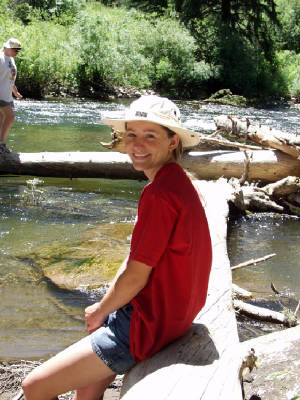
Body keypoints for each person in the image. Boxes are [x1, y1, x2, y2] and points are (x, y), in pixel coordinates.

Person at [22, 95, 212, 400]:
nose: (137, 145)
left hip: (146, 326)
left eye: (150, 136)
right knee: (84, 395)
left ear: (173, 141)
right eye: (132, 135)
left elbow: (137, 276)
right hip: (170, 316)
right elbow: (137, 261)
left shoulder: (159, 195)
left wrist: (100, 310)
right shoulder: (179, 182)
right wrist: (109, 304)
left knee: (34, 387)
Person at [0, 37, 23, 154]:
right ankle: (1, 145)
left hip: (7, 95)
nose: (17, 53)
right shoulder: (0, 58)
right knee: (10, 117)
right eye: (15, 50)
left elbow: (10, 78)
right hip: (0, 95)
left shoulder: (10, 59)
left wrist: (15, 92)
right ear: (8, 48)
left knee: (2, 118)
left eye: (18, 50)